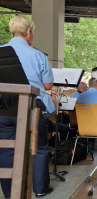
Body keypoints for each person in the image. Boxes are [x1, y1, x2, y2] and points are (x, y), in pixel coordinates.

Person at [0, 16, 56, 198]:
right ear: (29, 32)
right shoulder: (37, 55)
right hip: (31, 106)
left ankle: (10, 192)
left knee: (6, 149)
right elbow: (47, 85)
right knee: (39, 148)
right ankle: (40, 189)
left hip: (4, 106)